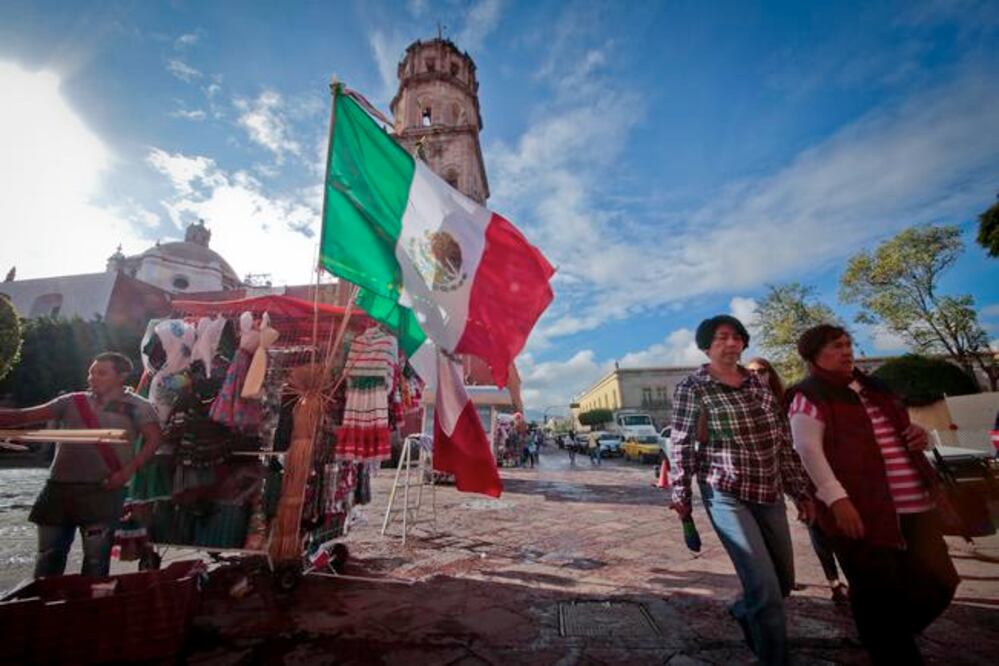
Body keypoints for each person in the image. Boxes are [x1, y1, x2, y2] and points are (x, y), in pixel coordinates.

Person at [786, 324, 958, 665]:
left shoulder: (877, 388)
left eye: (848, 344)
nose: (846, 351)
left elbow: (901, 432)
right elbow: (807, 449)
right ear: (814, 354)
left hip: (915, 506)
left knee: (940, 584)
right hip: (862, 512)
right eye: (836, 346)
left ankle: (886, 637)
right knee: (876, 595)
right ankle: (889, 644)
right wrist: (837, 499)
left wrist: (920, 435)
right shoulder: (809, 394)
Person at [669, 316, 813, 666]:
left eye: (737, 337)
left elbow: (781, 440)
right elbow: (682, 442)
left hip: (768, 489)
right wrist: (681, 494)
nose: (731, 343)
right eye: (722, 338)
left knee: (782, 583)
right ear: (706, 346)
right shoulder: (693, 387)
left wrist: (801, 491)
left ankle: (743, 610)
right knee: (763, 587)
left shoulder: (760, 384)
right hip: (725, 491)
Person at [0, 352, 161, 578]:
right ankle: (43, 607)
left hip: (103, 491)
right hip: (58, 489)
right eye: (91, 372)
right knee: (48, 558)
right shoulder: (71, 401)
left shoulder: (138, 407)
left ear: (122, 376)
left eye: (102, 373)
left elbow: (154, 440)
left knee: (96, 563)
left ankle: (89, 610)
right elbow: (23, 417)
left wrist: (127, 472)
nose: (93, 377)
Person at [746, 357, 849, 608]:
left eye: (762, 371)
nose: (758, 376)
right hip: (788, 476)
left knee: (838, 525)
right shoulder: (749, 406)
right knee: (817, 527)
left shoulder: (789, 400)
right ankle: (833, 581)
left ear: (771, 373)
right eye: (752, 373)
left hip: (818, 467)